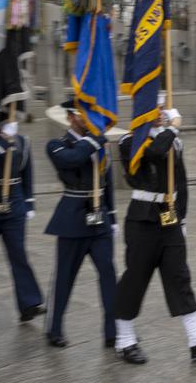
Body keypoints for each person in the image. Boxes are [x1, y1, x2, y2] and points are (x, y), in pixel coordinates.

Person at [113, 96, 196, 364]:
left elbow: (181, 183)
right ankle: (124, 339)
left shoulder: (172, 141)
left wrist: (183, 218)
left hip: (170, 217)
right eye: (155, 107)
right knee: (136, 278)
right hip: (142, 219)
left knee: (179, 276)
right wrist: (173, 127)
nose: (161, 112)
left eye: (163, 107)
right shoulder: (129, 141)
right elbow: (153, 153)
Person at [44, 99, 117, 348]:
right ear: (70, 118)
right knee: (65, 276)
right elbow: (71, 160)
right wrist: (95, 140)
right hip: (72, 219)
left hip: (99, 221)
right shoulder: (57, 145)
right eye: (82, 114)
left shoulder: (97, 146)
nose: (87, 119)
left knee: (108, 273)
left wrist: (113, 217)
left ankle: (112, 330)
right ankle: (54, 328)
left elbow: (107, 182)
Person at [0, 114, 45, 322]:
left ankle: (28, 302)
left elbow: (26, 173)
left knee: (19, 255)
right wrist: (1, 144)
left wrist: (29, 202)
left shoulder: (22, 141)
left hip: (14, 204)